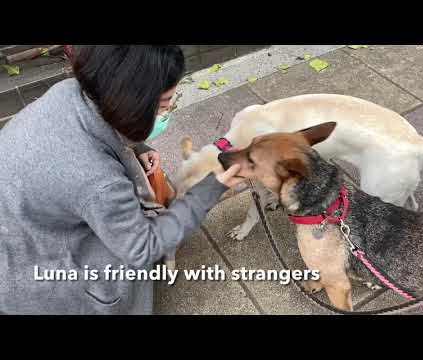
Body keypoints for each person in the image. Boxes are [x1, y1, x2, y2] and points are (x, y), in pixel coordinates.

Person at [0, 45, 243, 315]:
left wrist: (136, 146)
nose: (168, 110)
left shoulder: (70, 90)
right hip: (39, 274)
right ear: (131, 103)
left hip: (20, 230)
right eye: (163, 105)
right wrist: (209, 189)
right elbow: (141, 247)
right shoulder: (97, 181)